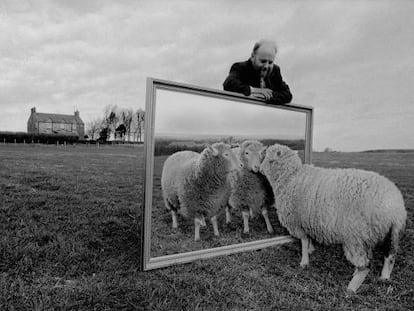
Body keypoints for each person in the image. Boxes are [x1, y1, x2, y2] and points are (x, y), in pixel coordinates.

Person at [223, 40, 292, 105]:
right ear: (253, 56)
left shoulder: (275, 71)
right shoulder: (240, 67)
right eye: (263, 61)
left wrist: (267, 95)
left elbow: (287, 95)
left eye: (270, 62)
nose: (266, 66)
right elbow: (228, 84)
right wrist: (253, 90)